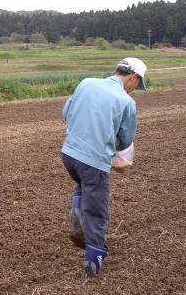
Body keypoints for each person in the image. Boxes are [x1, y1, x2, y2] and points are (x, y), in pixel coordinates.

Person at [61, 57, 147, 278]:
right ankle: (93, 261)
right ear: (133, 77)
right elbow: (126, 139)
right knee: (98, 211)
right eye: (138, 83)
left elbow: (65, 113)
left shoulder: (87, 83)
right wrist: (109, 141)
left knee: (82, 183)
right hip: (93, 163)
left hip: (69, 156)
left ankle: (77, 216)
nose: (135, 89)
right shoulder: (126, 102)